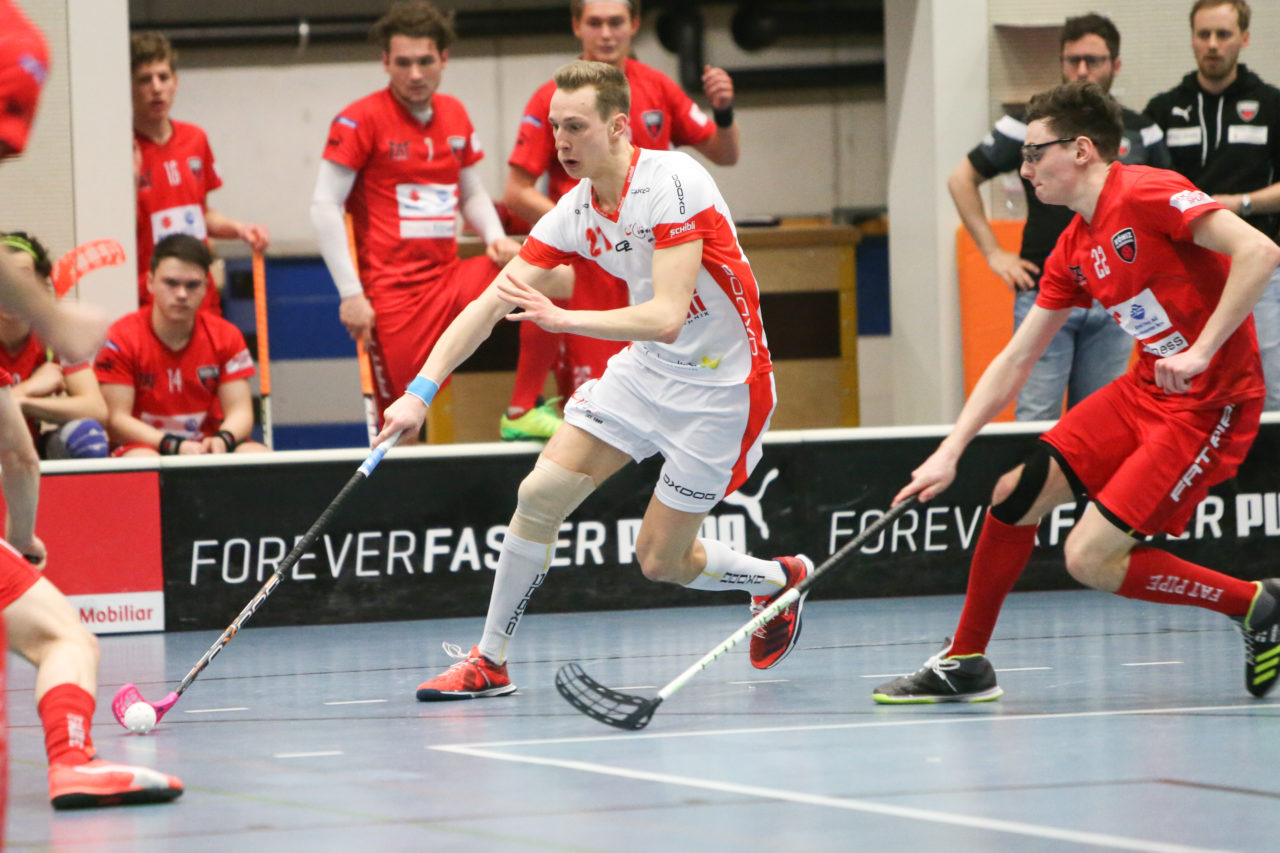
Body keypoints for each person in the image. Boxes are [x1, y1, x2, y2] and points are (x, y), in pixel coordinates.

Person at [377, 60, 808, 699]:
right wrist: (420, 391)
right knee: (540, 493)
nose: (561, 142)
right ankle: (489, 660)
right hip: (645, 374)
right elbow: (491, 303)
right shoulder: (575, 210)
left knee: (661, 561)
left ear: (618, 127)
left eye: (575, 127)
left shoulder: (674, 183)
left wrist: (562, 315)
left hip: (723, 388)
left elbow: (665, 316)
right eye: (555, 127)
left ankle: (776, 580)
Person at [873, 80, 1280, 705]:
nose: (1025, 167)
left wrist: (1200, 351)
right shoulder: (1074, 245)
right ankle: (966, 661)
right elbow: (1017, 358)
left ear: (1082, 150)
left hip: (1210, 404)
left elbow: (1258, 249)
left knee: (1088, 558)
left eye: (1036, 153)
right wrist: (950, 450)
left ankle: (1255, 604)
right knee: (1014, 493)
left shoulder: (1148, 192)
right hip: (1143, 391)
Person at [499, 0, 741, 442]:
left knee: (663, 404)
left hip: (657, 271)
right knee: (600, 411)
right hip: (592, 270)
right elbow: (515, 192)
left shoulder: (658, 87)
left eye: (616, 22)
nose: (606, 33)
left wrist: (723, 112)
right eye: (595, 23)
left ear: (634, 25)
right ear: (577, 26)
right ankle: (520, 410)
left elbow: (724, 154)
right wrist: (583, 232)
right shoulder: (555, 98)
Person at [309, 0, 522, 444]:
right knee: (403, 426)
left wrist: (496, 238)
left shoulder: (456, 114)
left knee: (552, 276)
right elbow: (324, 206)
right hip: (394, 298)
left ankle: (525, 405)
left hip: (453, 278)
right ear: (385, 62)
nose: (415, 74)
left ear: (444, 59)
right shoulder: (360, 119)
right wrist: (351, 295)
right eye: (403, 63)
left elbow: (471, 192)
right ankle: (395, 509)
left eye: (426, 61)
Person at [950, 13, 1170, 421]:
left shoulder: (1141, 132)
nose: (1082, 70)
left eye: (1094, 60)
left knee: (1102, 422)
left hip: (1116, 295)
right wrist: (995, 255)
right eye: (1072, 60)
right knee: (1036, 417)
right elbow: (961, 179)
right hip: (1046, 284)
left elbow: (1167, 216)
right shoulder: (1028, 128)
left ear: (1115, 66)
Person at [1144, 0, 1280, 411]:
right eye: (1204, 35)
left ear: (1244, 38)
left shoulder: (1272, 104)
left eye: (1223, 34)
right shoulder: (1163, 109)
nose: (1213, 45)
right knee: (1187, 390)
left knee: (1270, 390)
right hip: (1183, 275)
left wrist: (1237, 204)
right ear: (1192, 39)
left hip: (1256, 271)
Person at [132, 31, 269, 316]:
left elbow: (200, 213)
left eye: (163, 77)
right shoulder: (121, 150)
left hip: (200, 299)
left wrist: (239, 229)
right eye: (145, 79)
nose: (156, 88)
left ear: (176, 83)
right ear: (130, 88)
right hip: (149, 303)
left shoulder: (195, 139)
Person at [94, 234, 268, 457]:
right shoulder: (119, 338)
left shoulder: (226, 336)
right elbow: (116, 420)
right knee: (144, 460)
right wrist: (174, 445)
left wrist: (223, 440)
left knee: (256, 454)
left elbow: (241, 412)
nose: (182, 294)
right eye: (171, 283)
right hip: (143, 446)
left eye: (192, 285)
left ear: (206, 287)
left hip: (205, 445)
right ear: (150, 283)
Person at [0, 233, 109, 459]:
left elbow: (96, 410)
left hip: (28, 452)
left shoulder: (53, 337)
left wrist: (23, 401)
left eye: (20, 281)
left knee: (87, 436)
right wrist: (29, 388)